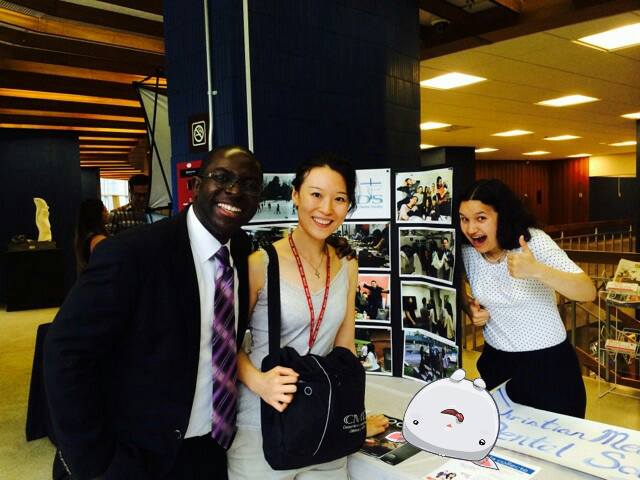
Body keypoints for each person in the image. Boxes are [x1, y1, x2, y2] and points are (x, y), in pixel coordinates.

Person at [43, 146, 262, 480]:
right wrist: (94, 460)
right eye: (221, 177)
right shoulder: (133, 253)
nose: (234, 190)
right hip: (133, 456)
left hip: (209, 451)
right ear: (197, 185)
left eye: (248, 184)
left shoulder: (243, 253)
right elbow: (65, 353)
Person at [227, 153, 359, 478]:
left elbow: (346, 349)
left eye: (339, 198)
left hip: (323, 426)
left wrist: (354, 413)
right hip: (264, 422)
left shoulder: (348, 264)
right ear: (295, 195)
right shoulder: (261, 263)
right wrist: (258, 381)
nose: (326, 209)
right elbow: (222, 342)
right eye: (316, 194)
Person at [459, 178, 595, 418]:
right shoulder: (467, 251)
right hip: (497, 363)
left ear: (502, 216)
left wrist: (537, 270)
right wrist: (469, 307)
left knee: (555, 445)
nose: (471, 229)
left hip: (548, 366)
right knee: (498, 444)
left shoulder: (533, 242)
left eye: (481, 218)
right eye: (464, 219)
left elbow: (587, 291)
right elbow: (453, 285)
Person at [74, 198, 109, 273]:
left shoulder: (84, 236)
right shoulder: (98, 239)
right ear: (97, 214)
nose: (107, 213)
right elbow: (104, 265)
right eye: (105, 210)